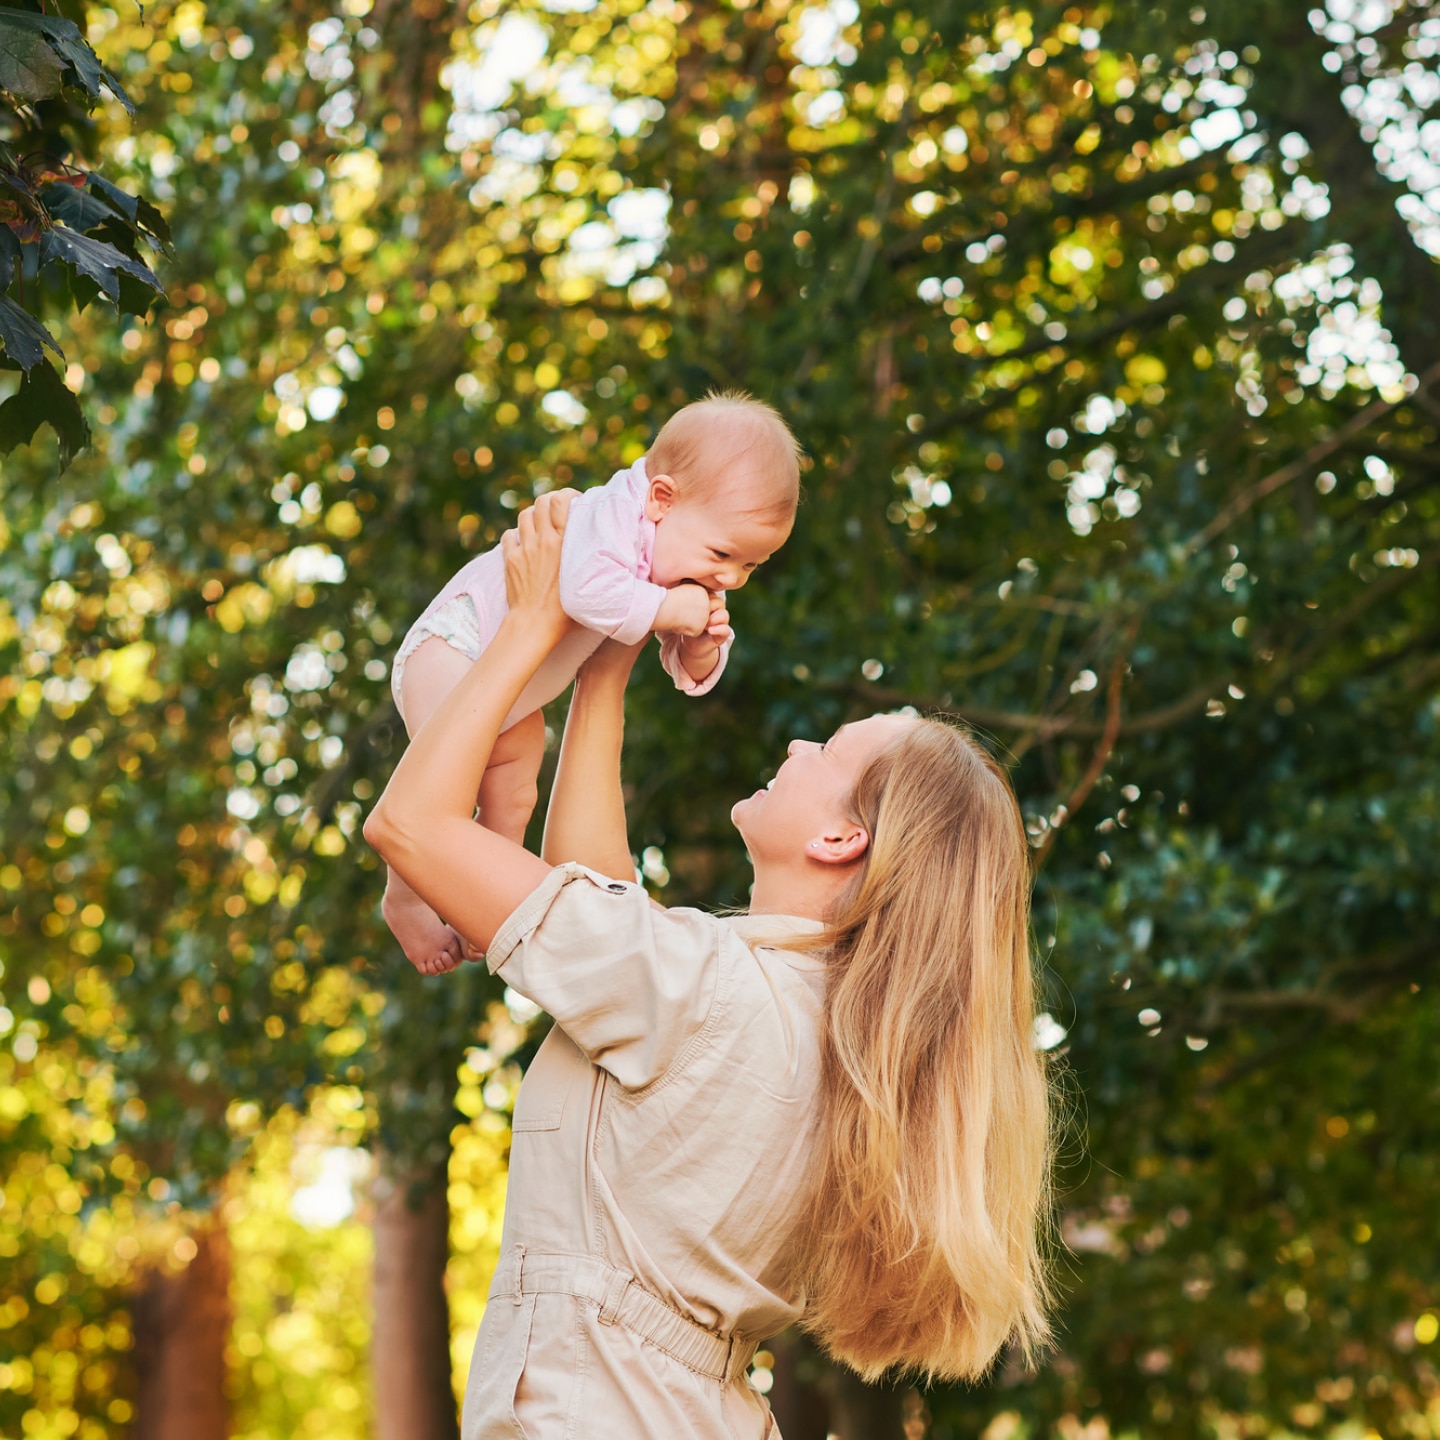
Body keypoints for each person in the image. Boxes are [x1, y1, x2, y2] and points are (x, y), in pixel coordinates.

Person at [364, 492, 1055, 1440]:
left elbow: (412, 827)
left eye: (830, 749)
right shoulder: (818, 1029)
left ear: (841, 835)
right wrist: (605, 666)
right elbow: (598, 902)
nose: (799, 745)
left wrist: (527, 626)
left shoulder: (711, 994)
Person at [381, 391, 801, 975]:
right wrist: (669, 611)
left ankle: (468, 896)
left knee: (514, 796)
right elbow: (584, 592)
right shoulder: (610, 519)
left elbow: (684, 668)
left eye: (750, 566)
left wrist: (700, 647)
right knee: (445, 783)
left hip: (512, 690)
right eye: (723, 553)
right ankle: (403, 898)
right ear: (661, 499)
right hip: (455, 648)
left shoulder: (677, 554)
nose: (729, 577)